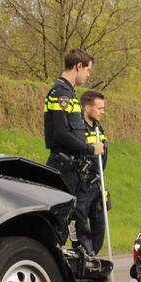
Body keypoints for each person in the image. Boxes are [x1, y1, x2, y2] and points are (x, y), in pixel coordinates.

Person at [43, 49, 104, 196]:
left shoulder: (69, 93)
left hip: (71, 167)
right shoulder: (61, 94)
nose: (88, 74)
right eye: (87, 69)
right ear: (78, 66)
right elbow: (61, 133)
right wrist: (90, 149)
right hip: (63, 165)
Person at [73, 90, 109, 255]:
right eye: (99, 108)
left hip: (97, 183)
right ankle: (86, 257)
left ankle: (93, 257)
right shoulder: (78, 129)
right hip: (82, 185)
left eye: (103, 108)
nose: (102, 111)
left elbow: (104, 156)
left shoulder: (99, 129)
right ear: (87, 108)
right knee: (81, 226)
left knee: (100, 227)